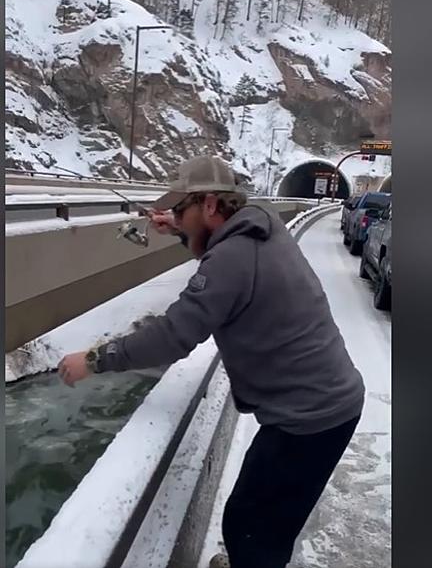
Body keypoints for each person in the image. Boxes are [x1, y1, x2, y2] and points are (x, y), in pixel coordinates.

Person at [57, 155, 364, 568]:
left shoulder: (232, 260)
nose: (174, 217)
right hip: (324, 405)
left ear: (210, 206)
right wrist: (180, 232)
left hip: (310, 416)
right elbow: (218, 250)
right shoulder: (260, 223)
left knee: (251, 527)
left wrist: (94, 360)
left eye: (181, 210)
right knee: (260, 518)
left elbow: (173, 336)